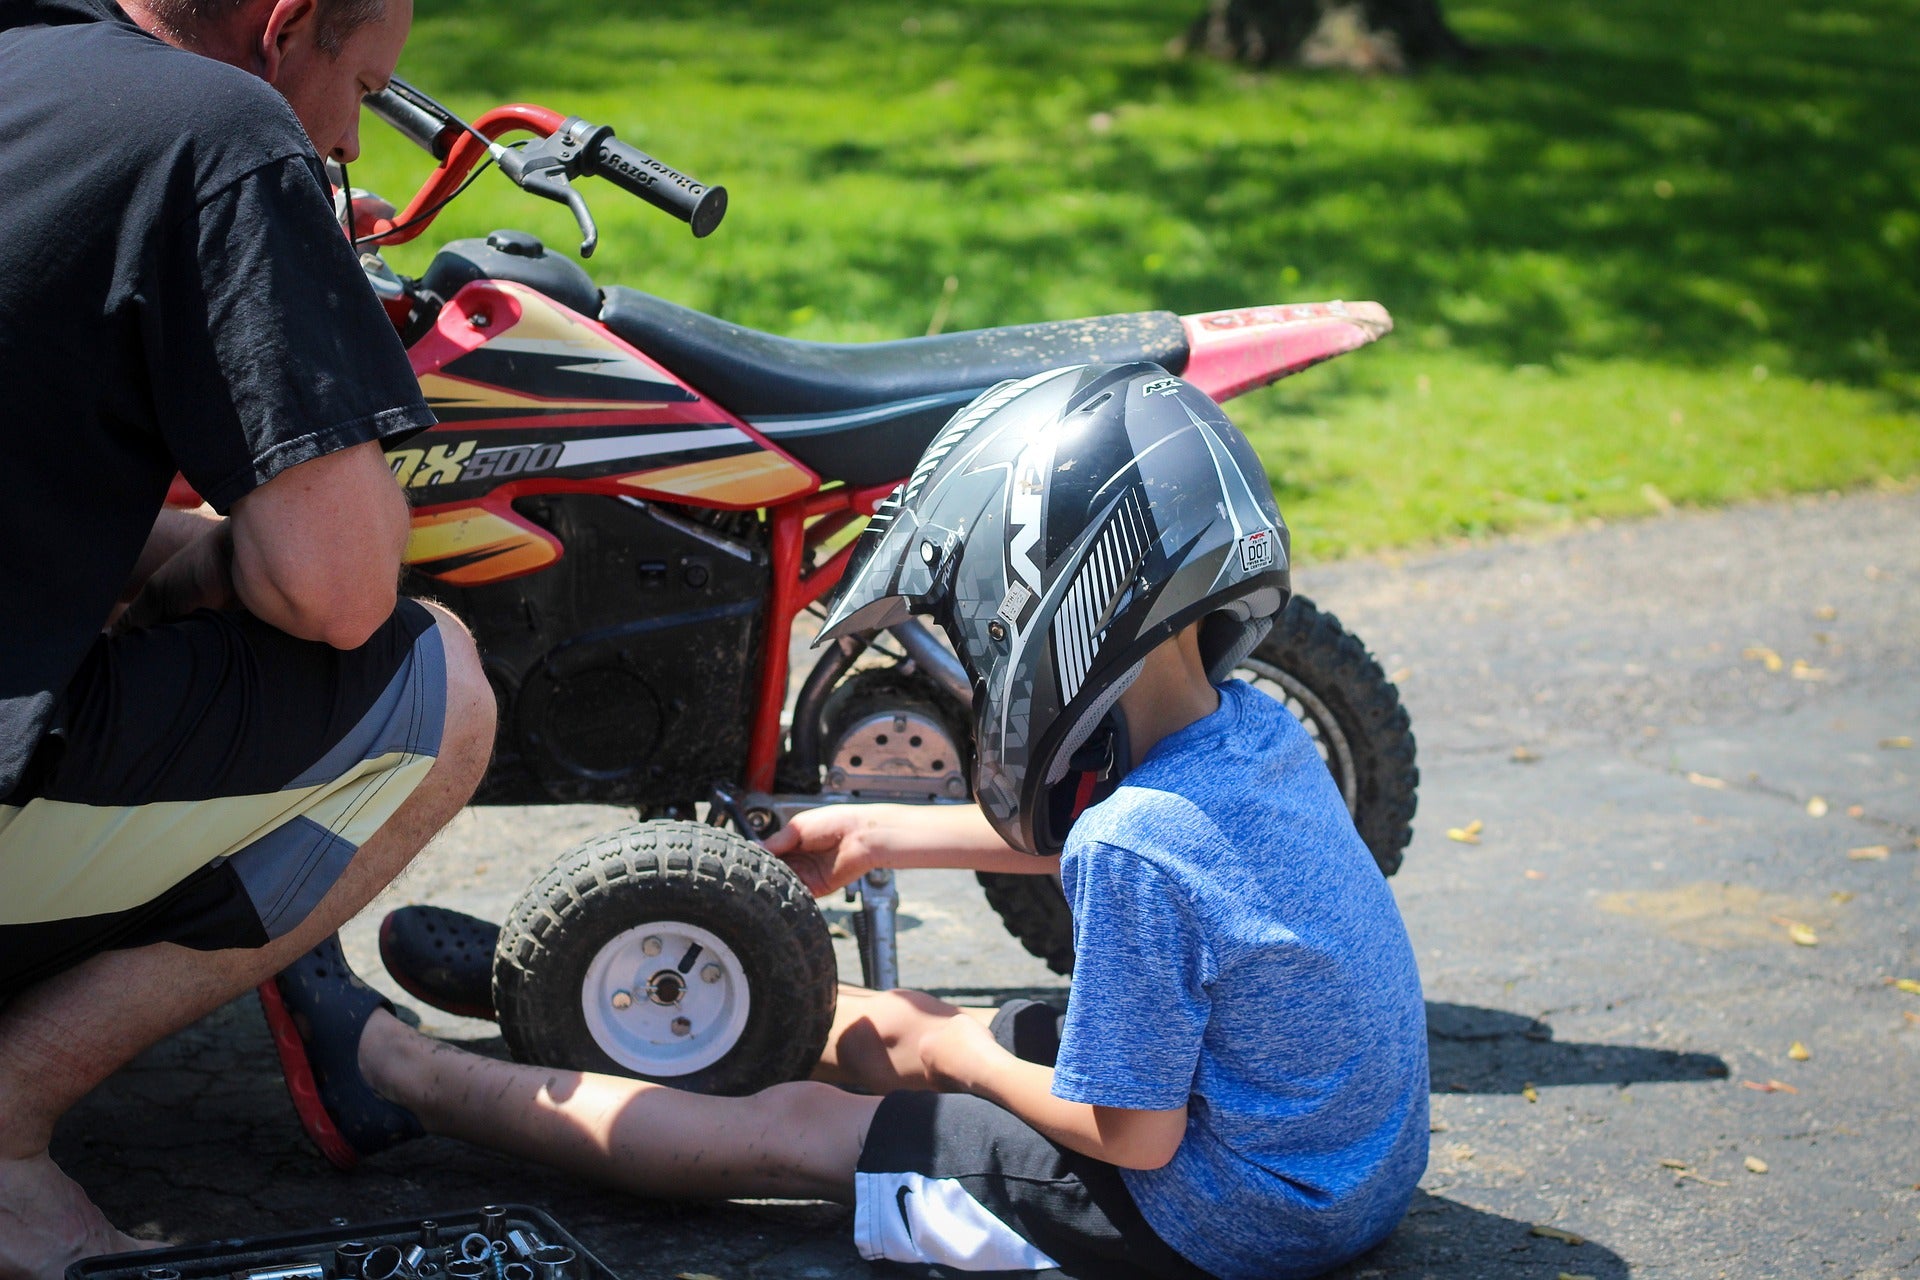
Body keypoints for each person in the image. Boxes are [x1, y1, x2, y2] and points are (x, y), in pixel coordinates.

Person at [283, 363, 1430, 1279]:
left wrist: (960, 1053)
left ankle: (398, 1075)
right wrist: (880, 830)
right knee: (903, 1017)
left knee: (799, 1123)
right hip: (1326, 1156)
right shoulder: (1249, 732)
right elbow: (1158, 854)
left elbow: (1132, 1136)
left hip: (1221, 1216)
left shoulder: (1138, 845)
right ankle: (573, 987)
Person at [0, 0, 497, 1272]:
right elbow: (337, 592)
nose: (351, 138)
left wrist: (177, 561)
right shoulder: (221, 128)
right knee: (434, 685)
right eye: (369, 90)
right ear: (286, 30)